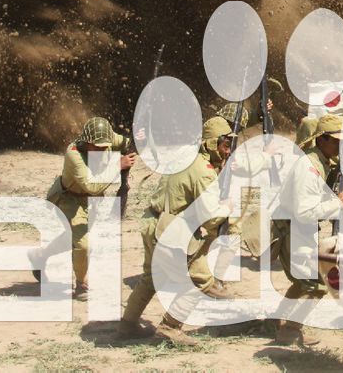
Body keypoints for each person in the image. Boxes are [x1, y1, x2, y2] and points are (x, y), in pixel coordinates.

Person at [117, 115, 234, 340]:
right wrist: (227, 207)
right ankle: (170, 326)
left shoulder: (187, 157)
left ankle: (127, 324)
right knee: (198, 281)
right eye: (224, 145)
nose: (227, 151)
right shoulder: (204, 170)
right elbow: (210, 218)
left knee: (151, 276)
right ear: (211, 144)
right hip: (170, 230)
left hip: (152, 222)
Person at [31, 116, 135, 298]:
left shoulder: (108, 139)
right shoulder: (73, 155)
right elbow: (92, 185)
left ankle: (40, 256)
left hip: (92, 202)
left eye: (105, 147)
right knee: (83, 244)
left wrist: (143, 138)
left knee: (73, 239)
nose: (103, 150)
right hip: (70, 200)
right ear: (87, 143)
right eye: (97, 147)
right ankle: (81, 284)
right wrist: (119, 165)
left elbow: (129, 142)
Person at [272, 113, 343, 347]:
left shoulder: (319, 161)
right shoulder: (308, 168)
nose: (340, 145)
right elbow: (304, 212)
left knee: (302, 281)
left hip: (298, 230)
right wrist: (337, 203)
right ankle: (290, 330)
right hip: (293, 230)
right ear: (321, 140)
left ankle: (279, 322)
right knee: (315, 282)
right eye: (336, 141)